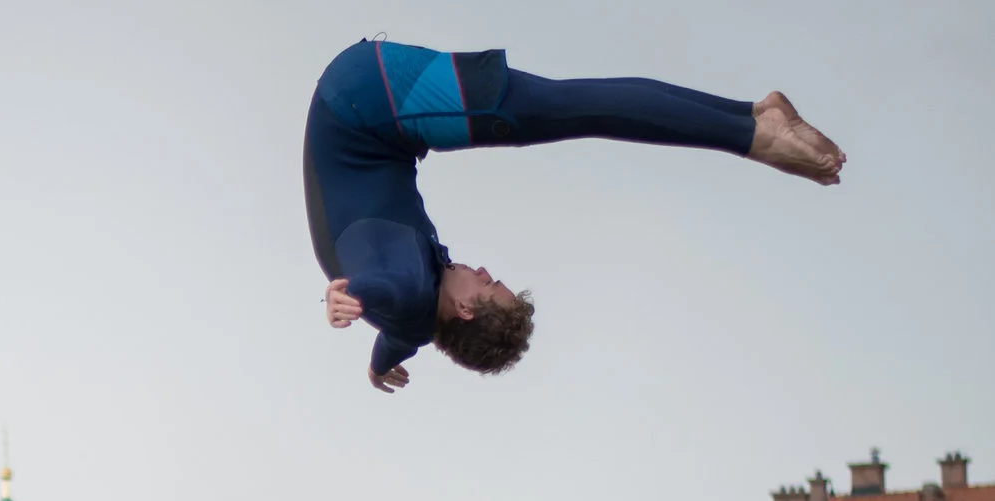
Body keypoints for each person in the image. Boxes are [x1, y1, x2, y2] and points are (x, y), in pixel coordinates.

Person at [303, 40, 843, 392]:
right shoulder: (415, 326)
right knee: (574, 105)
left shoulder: (404, 290)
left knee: (577, 108)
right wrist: (377, 367)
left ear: (466, 310)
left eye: (492, 285)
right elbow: (397, 338)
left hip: (370, 99)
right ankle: (750, 117)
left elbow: (373, 288)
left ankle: (755, 134)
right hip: (371, 113)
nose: (487, 271)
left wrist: (341, 302)